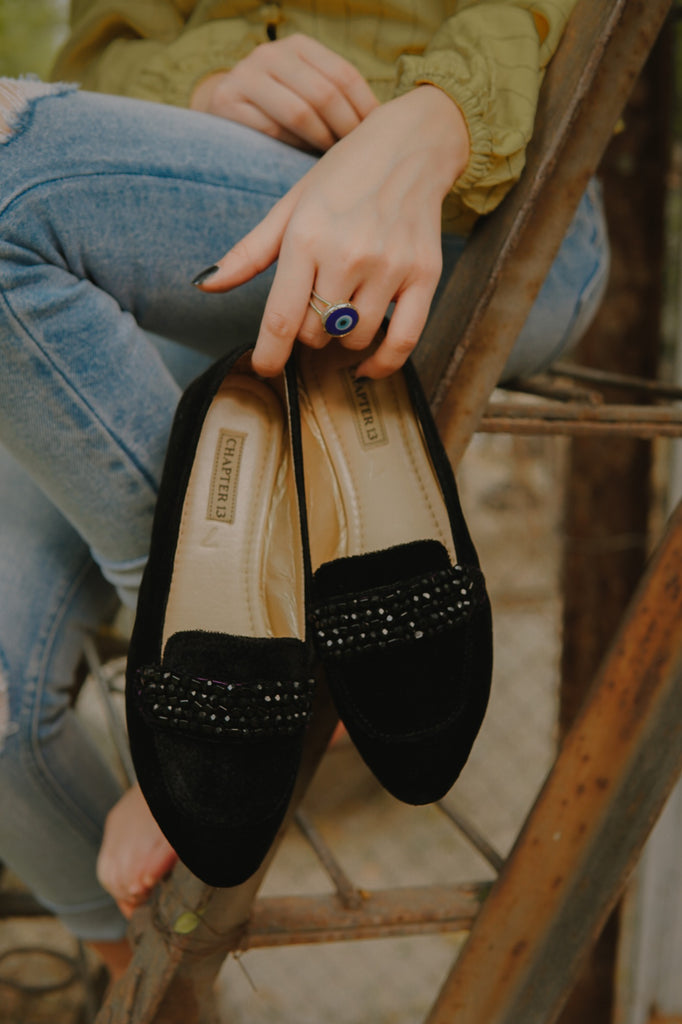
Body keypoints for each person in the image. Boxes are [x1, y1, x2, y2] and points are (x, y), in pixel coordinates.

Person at [0, 0, 609, 982]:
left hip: (489, 189)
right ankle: (143, 984)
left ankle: (191, 615)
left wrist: (433, 119)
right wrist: (199, 80)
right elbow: (103, 44)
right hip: (207, 198)